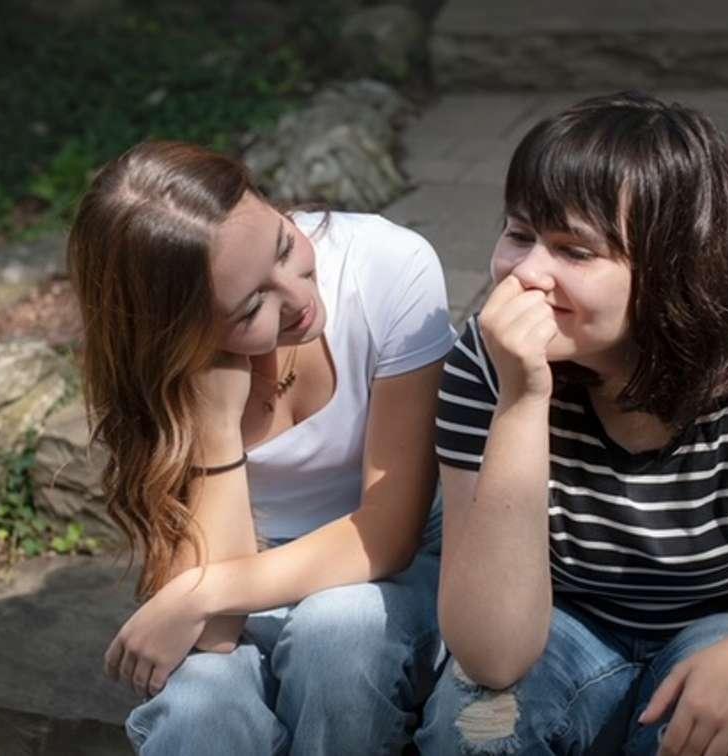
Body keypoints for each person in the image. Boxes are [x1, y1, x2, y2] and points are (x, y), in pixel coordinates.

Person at [416, 92, 728, 756]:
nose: (525, 274)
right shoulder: (490, 360)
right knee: (468, 729)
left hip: (724, 639)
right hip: (558, 634)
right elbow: (494, 659)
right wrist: (521, 401)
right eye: (520, 234)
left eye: (573, 250)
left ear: (671, 269)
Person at [67, 141, 455, 754]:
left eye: (283, 245)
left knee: (339, 632)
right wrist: (218, 425)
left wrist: (201, 592)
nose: (299, 298)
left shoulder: (387, 266)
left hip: (390, 569)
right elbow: (217, 638)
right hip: (247, 572)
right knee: (200, 708)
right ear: (178, 334)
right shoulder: (165, 376)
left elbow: (390, 531)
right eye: (251, 307)